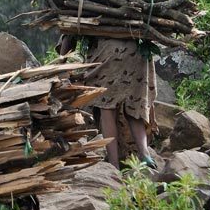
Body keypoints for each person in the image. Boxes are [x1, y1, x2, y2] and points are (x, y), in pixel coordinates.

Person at [59, 35, 157, 168]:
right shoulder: (134, 17)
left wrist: (61, 64)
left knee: (107, 107)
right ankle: (145, 155)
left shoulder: (88, 13)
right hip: (137, 51)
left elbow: (69, 32)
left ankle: (114, 163)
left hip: (108, 51)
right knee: (134, 104)